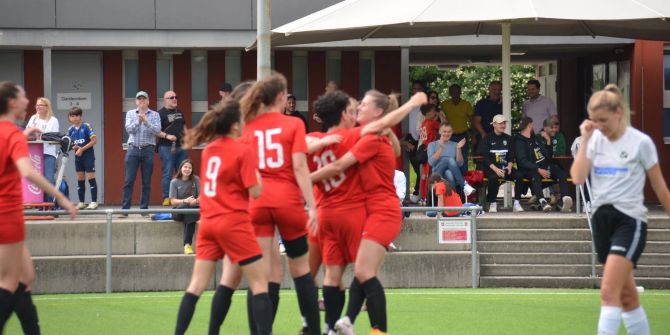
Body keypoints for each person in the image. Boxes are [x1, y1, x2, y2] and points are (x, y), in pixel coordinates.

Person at [312, 89, 427, 334]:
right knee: (358, 272)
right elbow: (391, 142)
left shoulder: (371, 137)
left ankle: (366, 327)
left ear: (377, 112)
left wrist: (302, 179)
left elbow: (340, 164)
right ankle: (345, 323)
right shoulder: (373, 135)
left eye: (363, 104)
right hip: (364, 210)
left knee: (362, 271)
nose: (358, 108)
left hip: (381, 210)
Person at [571, 84, 670, 335]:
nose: (598, 125)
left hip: (630, 221)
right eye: (593, 120)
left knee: (608, 291)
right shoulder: (594, 141)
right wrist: (585, 140)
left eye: (602, 120)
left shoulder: (640, 142)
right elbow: (578, 177)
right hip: (601, 220)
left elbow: (659, 186)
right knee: (628, 297)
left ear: (618, 113)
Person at [175, 100, 272, 335]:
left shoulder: (210, 149)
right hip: (233, 222)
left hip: (208, 222)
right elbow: (256, 191)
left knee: (196, 286)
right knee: (260, 285)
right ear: (236, 125)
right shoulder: (243, 150)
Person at [239, 73, 321, 335]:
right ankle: (312, 330)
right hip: (287, 201)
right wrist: (313, 205)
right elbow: (299, 166)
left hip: (258, 201)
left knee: (261, 277)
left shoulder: (248, 125)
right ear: (280, 97)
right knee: (299, 269)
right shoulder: (293, 124)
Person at [0, 81, 77, 335]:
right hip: (8, 216)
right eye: (23, 97)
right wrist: (62, 199)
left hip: (6, 215)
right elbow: (26, 171)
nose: (28, 102)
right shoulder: (12, 134)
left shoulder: (8, 133)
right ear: (12, 103)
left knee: (25, 278)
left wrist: (23, 136)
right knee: (9, 283)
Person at [514, 117, 573, 212]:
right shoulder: (519, 142)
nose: (534, 127)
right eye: (532, 125)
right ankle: (542, 201)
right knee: (535, 175)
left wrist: (548, 141)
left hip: (546, 165)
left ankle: (564, 200)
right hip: (533, 169)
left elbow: (548, 156)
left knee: (562, 174)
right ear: (529, 125)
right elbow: (522, 161)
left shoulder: (535, 138)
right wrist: (538, 169)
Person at [121, 91, 161, 217]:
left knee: (146, 182)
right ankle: (125, 210)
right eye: (139, 99)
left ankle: (144, 210)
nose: (142, 102)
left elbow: (157, 131)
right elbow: (129, 130)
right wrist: (139, 120)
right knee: (129, 180)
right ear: (136, 102)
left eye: (144, 99)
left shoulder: (155, 114)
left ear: (148, 101)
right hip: (133, 149)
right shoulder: (130, 113)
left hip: (148, 150)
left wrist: (146, 122)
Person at [480, 114, 525, 213]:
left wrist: (509, 166)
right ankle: (492, 203)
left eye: (504, 123)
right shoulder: (487, 138)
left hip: (505, 166)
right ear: (494, 124)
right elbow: (486, 158)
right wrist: (496, 169)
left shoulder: (509, 138)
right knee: (493, 178)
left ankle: (517, 203)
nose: (503, 125)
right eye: (500, 123)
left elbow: (511, 155)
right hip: (492, 167)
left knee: (519, 176)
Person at [25, 97, 59, 202]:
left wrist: (40, 136)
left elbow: (53, 136)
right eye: (37, 105)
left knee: (48, 180)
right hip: (35, 154)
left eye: (40, 105)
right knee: (37, 181)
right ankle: (41, 206)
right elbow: (27, 132)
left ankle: (50, 206)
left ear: (46, 107)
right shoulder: (33, 118)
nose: (37, 107)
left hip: (48, 154)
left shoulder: (53, 120)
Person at [157, 90, 187, 206]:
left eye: (175, 97)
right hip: (166, 147)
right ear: (165, 100)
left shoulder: (180, 112)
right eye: (171, 97)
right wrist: (167, 136)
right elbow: (156, 131)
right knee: (167, 174)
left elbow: (184, 127)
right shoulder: (160, 114)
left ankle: (183, 197)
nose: (174, 99)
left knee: (184, 172)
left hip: (181, 147)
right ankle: (167, 197)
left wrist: (189, 138)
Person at [67, 106, 99, 210]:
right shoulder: (70, 130)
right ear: (69, 118)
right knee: (80, 179)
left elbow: (94, 140)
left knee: (90, 178)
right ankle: (81, 202)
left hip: (88, 156)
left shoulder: (86, 126)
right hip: (78, 157)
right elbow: (69, 143)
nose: (74, 118)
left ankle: (94, 202)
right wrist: (74, 147)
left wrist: (82, 149)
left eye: (77, 115)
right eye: (72, 116)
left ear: (80, 116)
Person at [400, 80, 426, 202]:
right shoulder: (408, 104)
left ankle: (417, 194)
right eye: (415, 89)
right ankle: (416, 194)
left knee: (421, 168)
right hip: (411, 140)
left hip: (423, 140)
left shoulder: (426, 105)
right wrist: (404, 140)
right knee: (417, 168)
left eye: (419, 88)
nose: (417, 91)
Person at [169, 159, 200, 255]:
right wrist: (185, 201)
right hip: (178, 211)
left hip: (192, 208)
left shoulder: (196, 179)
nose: (187, 169)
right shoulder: (174, 182)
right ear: (181, 168)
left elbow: (202, 196)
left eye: (190, 167)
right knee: (190, 212)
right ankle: (187, 244)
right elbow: (173, 202)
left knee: (190, 214)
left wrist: (196, 201)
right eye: (185, 167)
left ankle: (187, 245)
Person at [440, 84, 473, 174]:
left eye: (457, 92)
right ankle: (451, 183)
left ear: (460, 93)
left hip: (462, 136)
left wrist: (473, 135)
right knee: (449, 159)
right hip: (449, 137)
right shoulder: (444, 104)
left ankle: (463, 184)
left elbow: (472, 120)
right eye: (453, 92)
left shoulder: (466, 104)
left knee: (463, 160)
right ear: (450, 93)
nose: (455, 94)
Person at [427, 123, 466, 197]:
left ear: (452, 133)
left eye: (449, 132)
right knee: (448, 160)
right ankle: (464, 185)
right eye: (444, 131)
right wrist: (440, 149)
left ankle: (452, 199)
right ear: (440, 132)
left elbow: (459, 164)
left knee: (449, 173)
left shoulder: (455, 145)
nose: (446, 134)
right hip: (437, 174)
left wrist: (458, 149)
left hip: (452, 174)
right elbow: (431, 163)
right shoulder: (432, 145)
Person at [417, 103, 441, 203]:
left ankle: (423, 197)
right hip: (430, 151)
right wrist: (441, 116)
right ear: (427, 112)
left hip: (423, 150)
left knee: (424, 175)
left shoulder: (423, 124)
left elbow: (422, 139)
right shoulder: (431, 123)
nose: (434, 112)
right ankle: (428, 197)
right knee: (428, 174)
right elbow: (444, 126)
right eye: (433, 111)